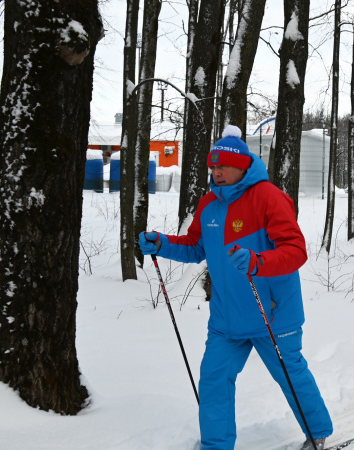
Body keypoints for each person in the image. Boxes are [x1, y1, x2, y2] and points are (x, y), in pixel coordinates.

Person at [138, 125, 332, 450]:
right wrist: (162, 244)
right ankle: (215, 446)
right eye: (212, 167)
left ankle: (318, 434)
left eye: (222, 166)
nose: (216, 173)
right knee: (214, 380)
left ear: (242, 165)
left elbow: (296, 250)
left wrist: (258, 262)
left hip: (272, 314)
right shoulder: (209, 205)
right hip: (227, 320)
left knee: (291, 376)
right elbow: (196, 247)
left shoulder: (269, 197)